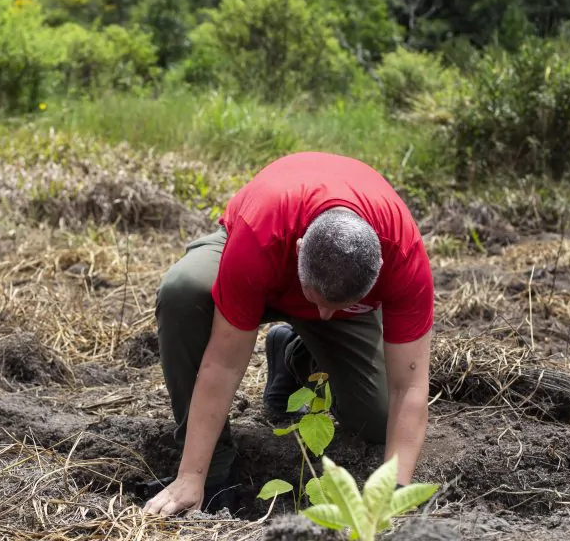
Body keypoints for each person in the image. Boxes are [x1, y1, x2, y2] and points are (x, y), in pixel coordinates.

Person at [142, 151, 434, 517]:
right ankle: (216, 466)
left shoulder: (404, 257)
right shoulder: (259, 237)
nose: (325, 315)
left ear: (378, 270)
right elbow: (224, 365)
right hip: (261, 260)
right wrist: (193, 475)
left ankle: (295, 355)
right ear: (299, 252)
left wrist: (395, 494)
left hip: (321, 275)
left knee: (378, 418)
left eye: (337, 307)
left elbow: (408, 388)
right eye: (318, 303)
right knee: (183, 291)